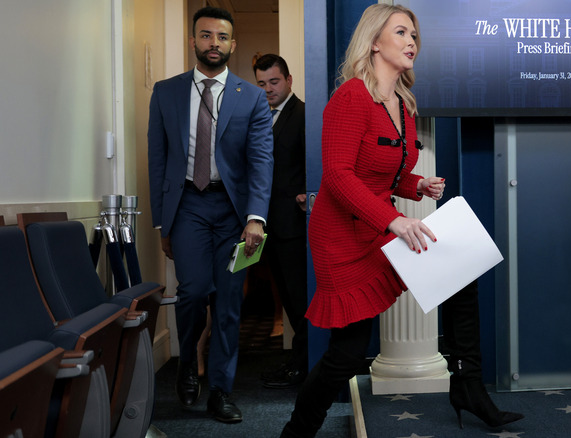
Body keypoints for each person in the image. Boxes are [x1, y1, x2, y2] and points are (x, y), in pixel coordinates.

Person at [279, 4, 522, 437]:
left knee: (460, 269)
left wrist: (417, 185)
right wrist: (395, 221)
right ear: (374, 41)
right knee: (348, 355)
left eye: (414, 34)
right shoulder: (350, 96)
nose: (412, 41)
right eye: (401, 32)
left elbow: (383, 171)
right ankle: (297, 431)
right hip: (343, 238)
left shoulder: (403, 103)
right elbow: (338, 176)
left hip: (379, 227)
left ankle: (468, 386)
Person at [147, 6, 274, 424]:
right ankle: (187, 361)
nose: (213, 44)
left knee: (228, 303)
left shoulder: (251, 96)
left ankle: (220, 389)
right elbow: (158, 158)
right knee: (193, 290)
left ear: (232, 44)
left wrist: (256, 216)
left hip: (233, 210)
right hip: (187, 206)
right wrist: (161, 221)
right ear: (193, 41)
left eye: (221, 37)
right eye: (205, 36)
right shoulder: (165, 92)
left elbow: (260, 161)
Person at [252, 53, 309, 389]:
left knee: (299, 300)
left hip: (294, 224)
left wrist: (306, 191)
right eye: (261, 83)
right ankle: (298, 363)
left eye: (274, 82)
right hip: (265, 224)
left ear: (289, 80)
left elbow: (313, 160)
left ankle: (304, 367)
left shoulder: (303, 114)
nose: (268, 89)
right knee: (286, 300)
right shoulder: (259, 116)